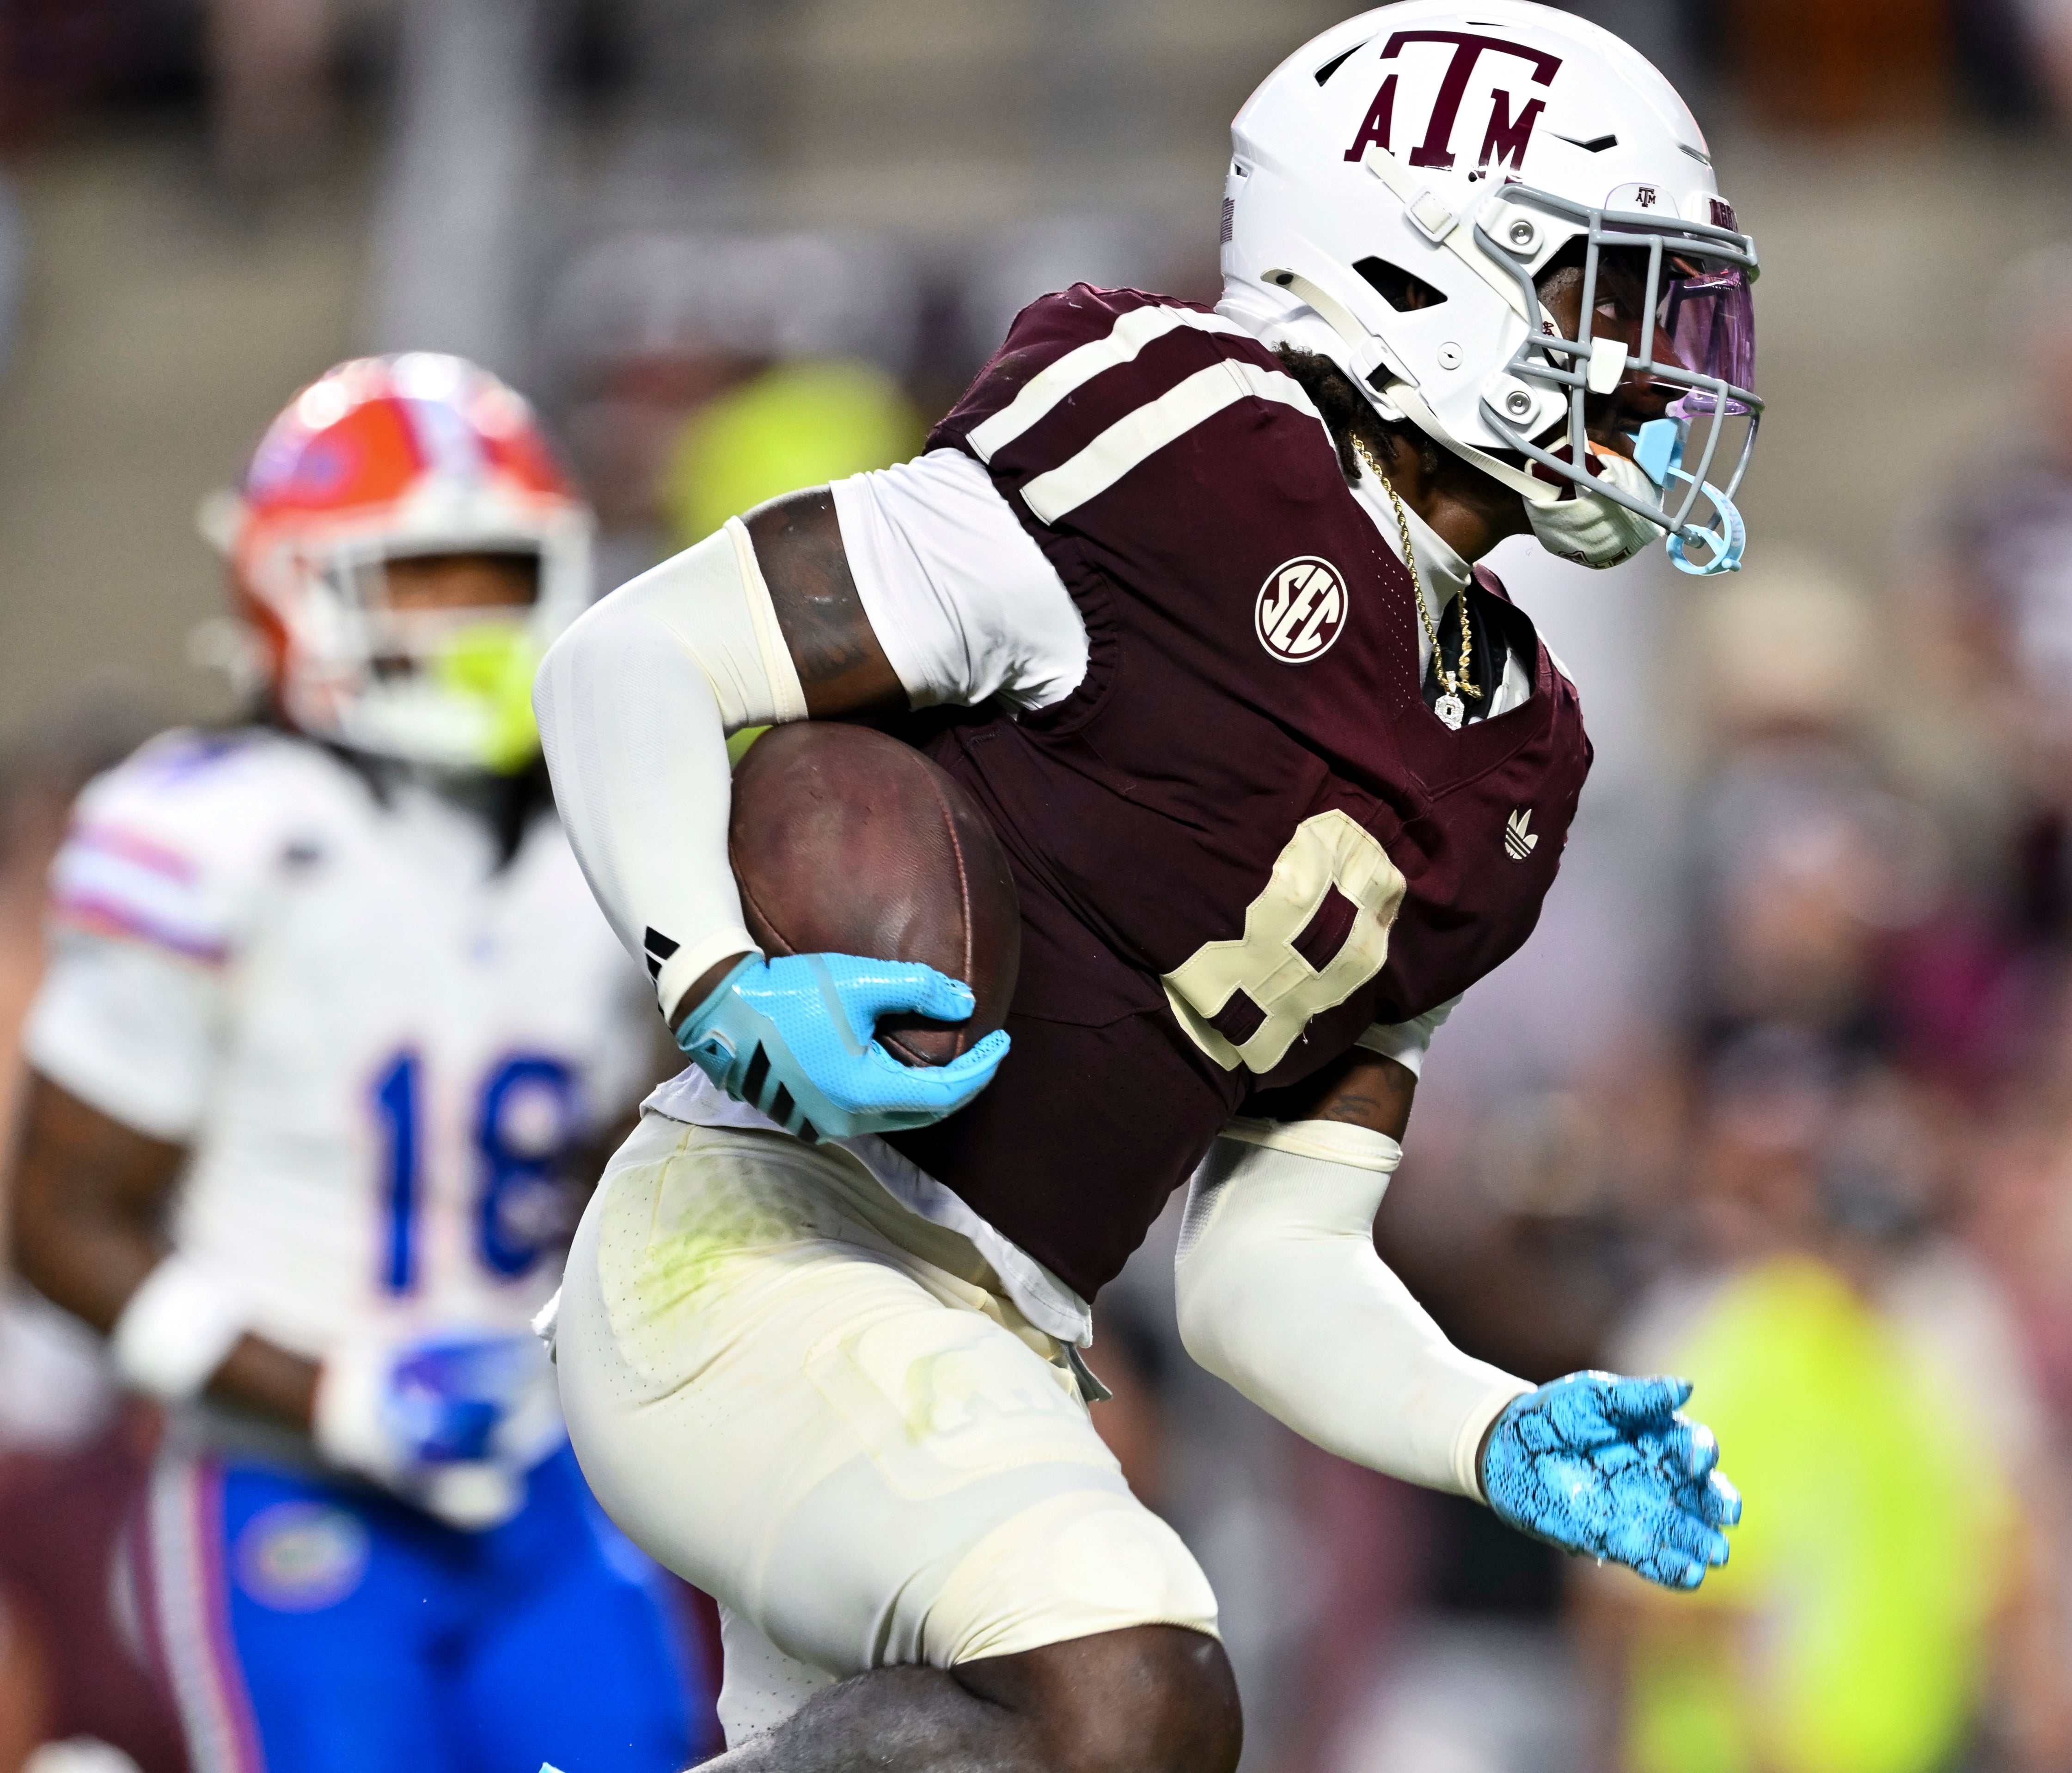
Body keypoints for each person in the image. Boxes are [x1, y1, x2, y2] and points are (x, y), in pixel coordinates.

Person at [530, 3, 1754, 1763]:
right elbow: (636, 659)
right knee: (1135, 1685)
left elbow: (1264, 1264)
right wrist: (712, 969)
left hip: (995, 1345)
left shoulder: (1517, 772)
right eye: (1598, 297)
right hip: (752, 1255)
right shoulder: (1187, 445)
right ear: (1410, 266)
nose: (1650, 369)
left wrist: (1486, 1425)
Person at [6, 355, 702, 1773]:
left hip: (541, 1469)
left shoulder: (612, 829)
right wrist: (333, 1392)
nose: (466, 622)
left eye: (494, 575)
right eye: (422, 578)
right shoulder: (207, 838)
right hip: (284, 1479)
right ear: (296, 590)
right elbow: (58, 1222)